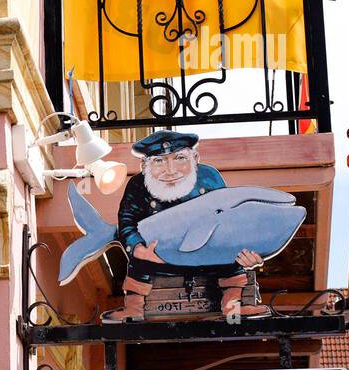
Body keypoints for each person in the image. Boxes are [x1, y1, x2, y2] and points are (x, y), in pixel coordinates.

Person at [102, 130, 266, 322]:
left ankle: (232, 310)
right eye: (159, 161)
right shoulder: (138, 185)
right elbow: (127, 222)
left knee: (230, 259)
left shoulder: (210, 178)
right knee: (138, 264)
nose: (170, 170)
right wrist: (138, 248)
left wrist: (247, 253)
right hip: (159, 261)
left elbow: (229, 224)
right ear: (144, 166)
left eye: (179, 158)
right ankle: (133, 310)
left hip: (208, 260)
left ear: (195, 158)